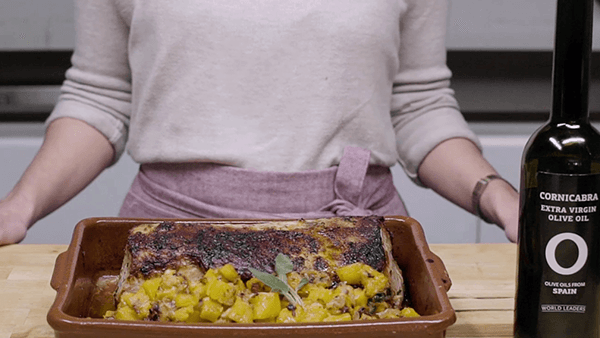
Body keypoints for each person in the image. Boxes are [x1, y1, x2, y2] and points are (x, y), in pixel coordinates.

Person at [0, 0, 519, 245]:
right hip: (169, 237)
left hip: (354, 238)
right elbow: (101, 96)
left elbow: (418, 103)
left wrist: (500, 198)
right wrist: (17, 209)